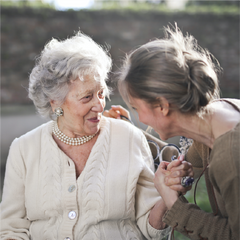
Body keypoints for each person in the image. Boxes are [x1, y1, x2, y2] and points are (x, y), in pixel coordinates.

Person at [0, 32, 174, 240]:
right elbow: (11, 228)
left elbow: (152, 230)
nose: (100, 105)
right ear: (55, 102)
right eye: (87, 97)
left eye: (101, 93)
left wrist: (168, 194)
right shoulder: (24, 149)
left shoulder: (128, 138)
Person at [105, 25, 240, 240]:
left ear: (162, 106)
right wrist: (125, 130)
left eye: (138, 109)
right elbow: (185, 165)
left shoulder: (231, 156)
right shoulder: (219, 115)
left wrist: (175, 204)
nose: (142, 119)